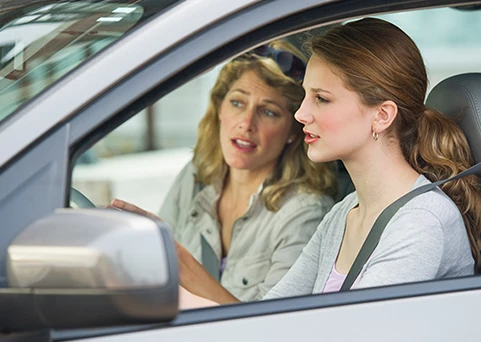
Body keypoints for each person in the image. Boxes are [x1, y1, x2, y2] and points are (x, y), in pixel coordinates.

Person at [260, 17, 481, 298]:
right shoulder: (344, 213)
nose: (300, 114)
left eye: (322, 99)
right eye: (306, 95)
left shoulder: (421, 222)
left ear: (382, 116)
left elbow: (354, 332)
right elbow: (276, 309)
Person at [111, 40, 337, 303]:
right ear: (220, 108)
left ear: (292, 132)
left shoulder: (305, 212)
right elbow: (155, 272)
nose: (246, 123)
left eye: (268, 112)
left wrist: (180, 260)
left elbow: (270, 328)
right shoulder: (197, 175)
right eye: (238, 103)